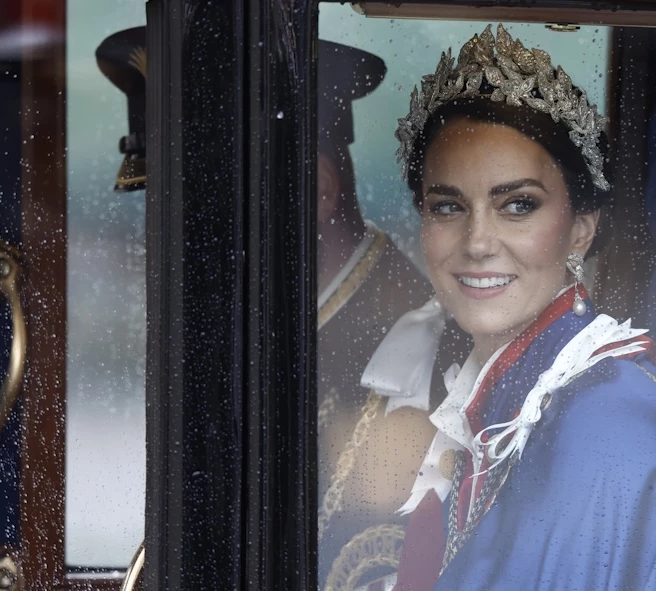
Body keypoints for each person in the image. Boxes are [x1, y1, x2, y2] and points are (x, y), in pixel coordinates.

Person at [96, 28, 468, 591]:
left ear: (315, 191)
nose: (171, 241)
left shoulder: (437, 365)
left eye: (198, 210)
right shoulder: (267, 335)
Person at [373, 25, 656, 591]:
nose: (477, 242)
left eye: (518, 205)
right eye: (447, 206)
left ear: (580, 231)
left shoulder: (615, 426)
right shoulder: (497, 391)